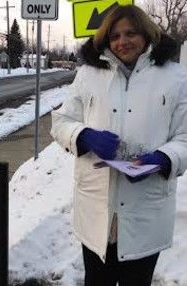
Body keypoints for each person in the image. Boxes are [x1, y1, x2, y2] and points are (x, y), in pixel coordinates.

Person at [50, 4, 187, 286]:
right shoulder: (89, 74)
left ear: (146, 35)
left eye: (130, 33)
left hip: (145, 214)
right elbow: (61, 121)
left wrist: (162, 159)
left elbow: (185, 137)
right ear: (106, 40)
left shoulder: (176, 78)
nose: (122, 42)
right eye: (114, 36)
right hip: (95, 211)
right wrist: (84, 135)